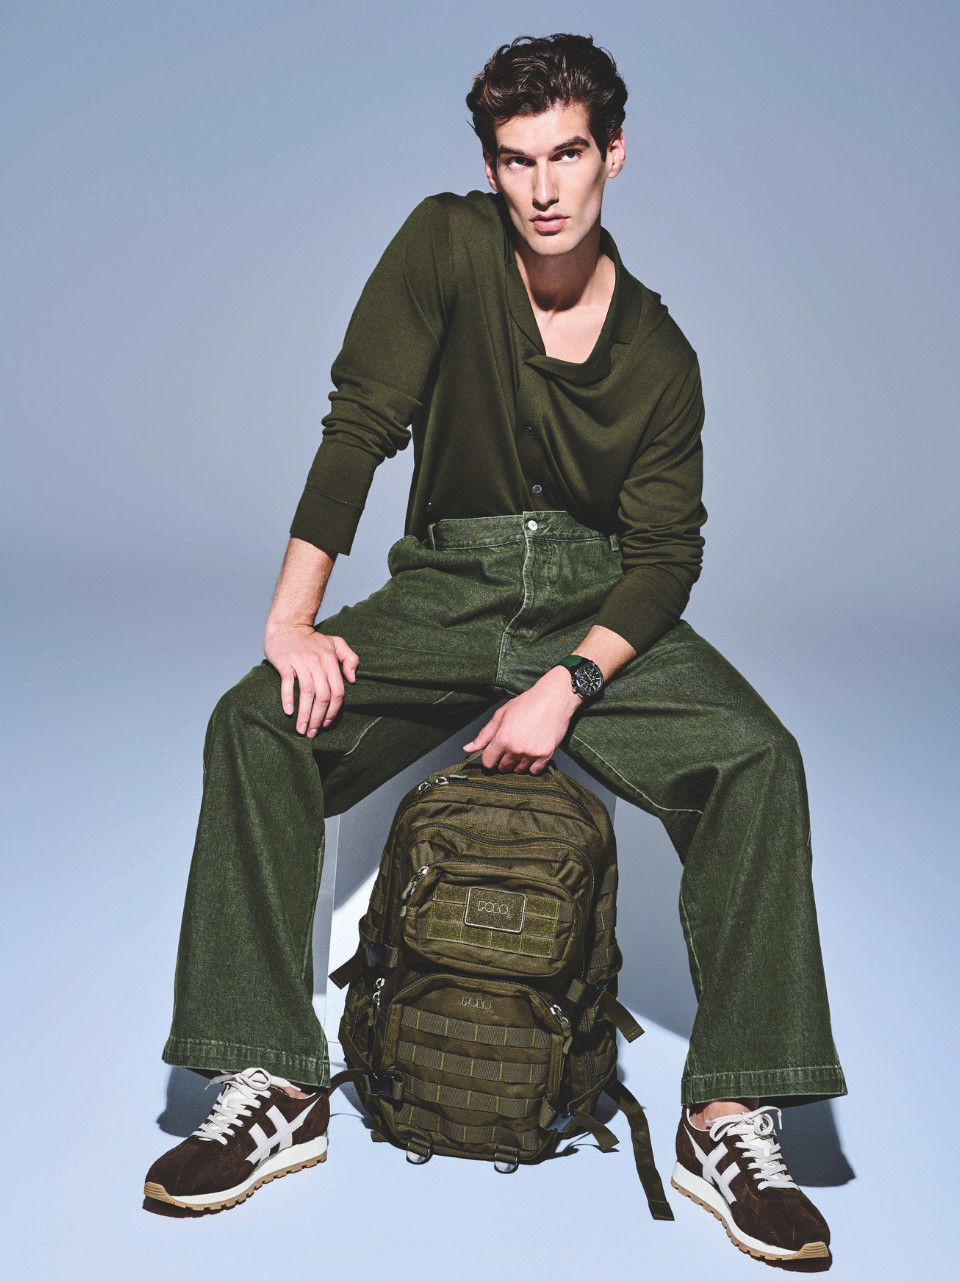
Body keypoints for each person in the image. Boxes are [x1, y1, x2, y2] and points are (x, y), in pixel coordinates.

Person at [144, 33, 846, 1265]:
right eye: (518, 160)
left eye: (568, 154)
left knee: (758, 757)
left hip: (593, 597)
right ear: (490, 167)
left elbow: (664, 558)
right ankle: (277, 1081)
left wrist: (569, 685)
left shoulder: (661, 355)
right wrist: (291, 620)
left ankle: (727, 1115)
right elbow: (360, 426)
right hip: (448, 587)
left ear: (614, 154)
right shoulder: (446, 246)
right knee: (253, 723)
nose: (544, 187)